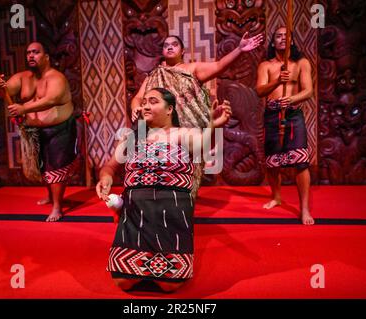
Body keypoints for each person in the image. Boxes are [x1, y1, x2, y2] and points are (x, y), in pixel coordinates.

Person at [97, 88, 231, 292]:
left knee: (170, 284)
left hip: (172, 210)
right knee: (122, 282)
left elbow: (201, 147)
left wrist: (212, 126)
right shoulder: (132, 137)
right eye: (144, 102)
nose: (145, 106)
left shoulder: (183, 134)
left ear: (169, 109)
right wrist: (105, 178)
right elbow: (110, 167)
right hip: (135, 212)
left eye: (153, 101)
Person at [130, 33, 263, 197]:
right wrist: (136, 107)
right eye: (166, 45)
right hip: (162, 131)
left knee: (188, 178)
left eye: (174, 44)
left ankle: (184, 206)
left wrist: (239, 49)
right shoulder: (154, 74)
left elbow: (220, 65)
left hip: (188, 130)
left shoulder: (191, 69)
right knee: (162, 177)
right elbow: (137, 97)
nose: (170, 47)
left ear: (182, 51)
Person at [0, 42, 77, 222]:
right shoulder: (23, 77)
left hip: (59, 129)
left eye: (36, 52)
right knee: (42, 166)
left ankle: (57, 207)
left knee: (55, 166)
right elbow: (6, 91)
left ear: (46, 57)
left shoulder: (57, 78)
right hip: (35, 130)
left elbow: (51, 99)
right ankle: (50, 196)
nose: (31, 55)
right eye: (29, 53)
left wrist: (23, 108)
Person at [255, 26, 314, 225]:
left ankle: (304, 208)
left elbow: (308, 91)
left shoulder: (301, 63)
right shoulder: (266, 65)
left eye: (286, 36)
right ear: (273, 42)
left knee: (301, 161)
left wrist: (291, 99)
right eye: (278, 36)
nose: (282, 39)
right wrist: (277, 81)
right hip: (272, 114)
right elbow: (260, 91)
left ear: (292, 41)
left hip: (293, 115)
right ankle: (277, 197)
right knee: (272, 161)